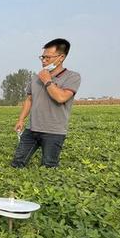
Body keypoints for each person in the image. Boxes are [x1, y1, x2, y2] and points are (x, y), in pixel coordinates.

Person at [12, 38, 81, 168]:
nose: (43, 61)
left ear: (61, 57)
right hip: (32, 129)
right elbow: (29, 99)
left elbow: (61, 98)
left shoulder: (72, 77)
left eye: (48, 57)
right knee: (17, 164)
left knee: (49, 167)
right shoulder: (35, 78)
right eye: (42, 57)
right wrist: (21, 120)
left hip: (54, 131)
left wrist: (47, 81)